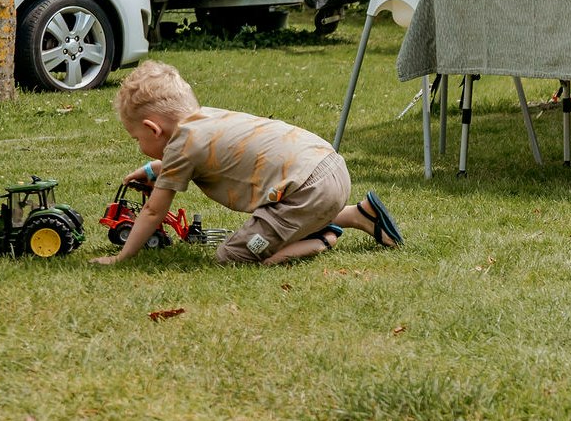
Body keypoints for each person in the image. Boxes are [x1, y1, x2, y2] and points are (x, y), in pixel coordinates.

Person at [94, 60, 403, 267]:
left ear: (152, 128)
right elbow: (187, 162)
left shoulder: (182, 144)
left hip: (307, 191)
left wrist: (123, 256)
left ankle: (319, 237)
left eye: (137, 138)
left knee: (233, 255)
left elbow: (152, 211)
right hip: (329, 169)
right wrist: (151, 171)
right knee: (295, 209)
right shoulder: (205, 119)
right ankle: (360, 215)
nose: (139, 145)